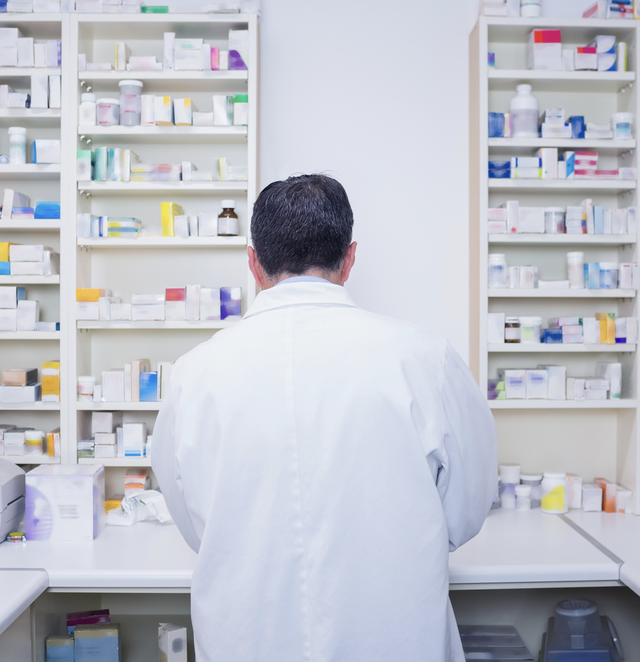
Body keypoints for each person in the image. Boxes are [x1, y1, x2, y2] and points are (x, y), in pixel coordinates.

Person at [152, 173, 497, 662]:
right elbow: (466, 509)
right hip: (394, 641)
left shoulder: (194, 374)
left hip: (248, 640)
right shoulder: (424, 358)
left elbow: (193, 525)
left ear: (253, 263)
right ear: (350, 258)